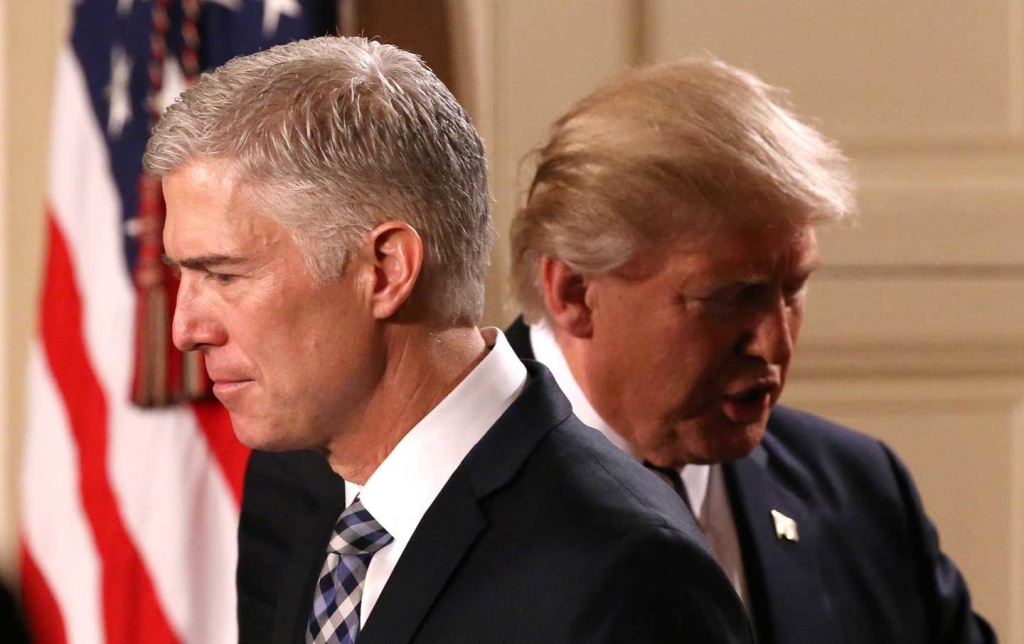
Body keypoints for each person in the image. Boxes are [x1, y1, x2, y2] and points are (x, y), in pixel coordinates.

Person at [145, 38, 752, 644]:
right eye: (183, 275)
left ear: (385, 271)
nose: (185, 330)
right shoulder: (301, 492)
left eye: (224, 275)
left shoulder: (627, 570)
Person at [508, 58, 997, 644]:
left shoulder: (861, 491)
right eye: (729, 297)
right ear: (576, 293)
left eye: (793, 290)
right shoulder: (429, 502)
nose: (775, 341)